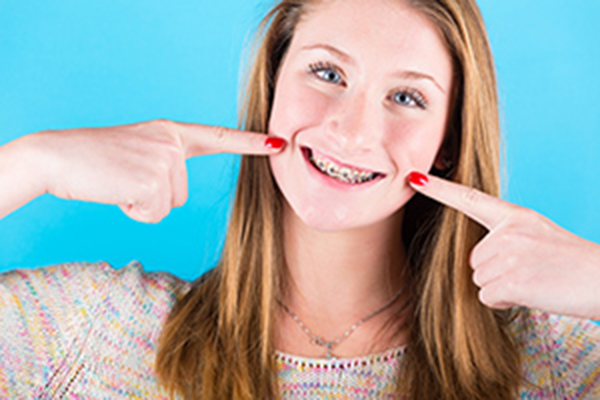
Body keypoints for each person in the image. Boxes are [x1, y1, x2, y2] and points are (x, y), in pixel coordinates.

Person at [1, 0, 599, 398]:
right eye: (328, 74)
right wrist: (30, 162)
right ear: (272, 87)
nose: (353, 130)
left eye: (408, 98)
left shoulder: (552, 360)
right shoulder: (94, 333)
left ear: (447, 143)